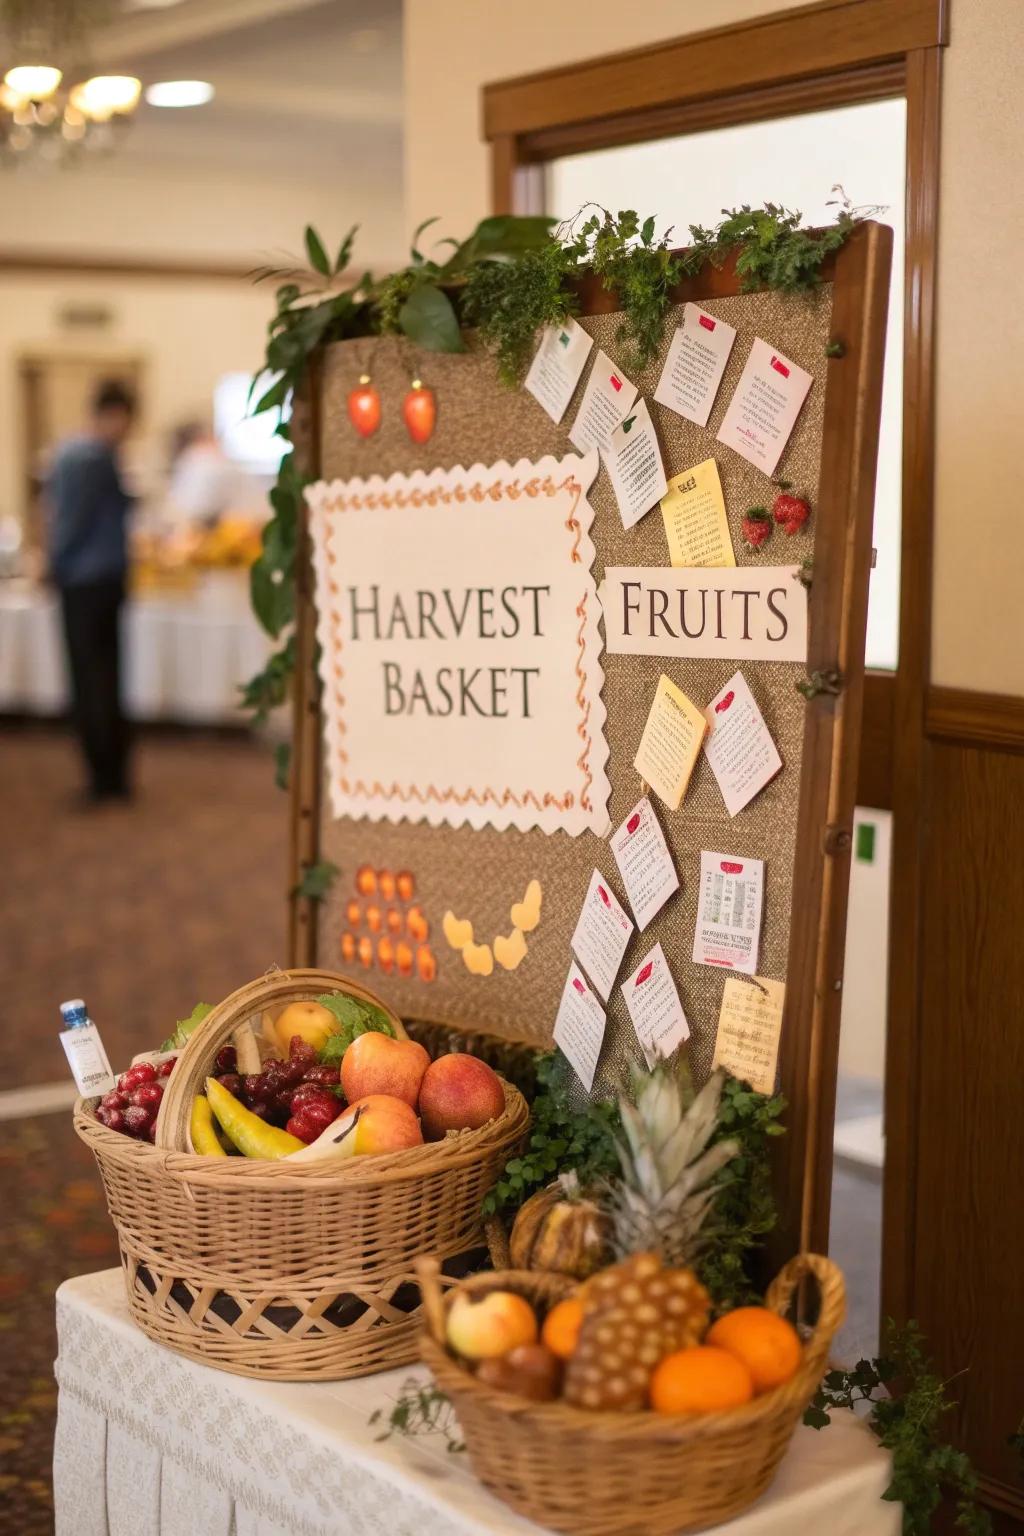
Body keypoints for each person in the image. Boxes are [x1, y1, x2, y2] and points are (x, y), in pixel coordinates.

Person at [47, 379, 137, 804]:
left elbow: (68, 522)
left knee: (94, 678)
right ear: (112, 414)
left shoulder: (86, 455)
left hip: (90, 582)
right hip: (90, 580)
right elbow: (73, 521)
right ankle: (107, 773)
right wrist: (54, 562)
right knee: (98, 678)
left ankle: (107, 774)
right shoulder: (88, 457)